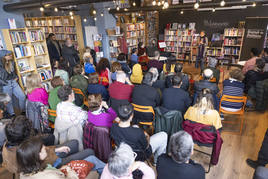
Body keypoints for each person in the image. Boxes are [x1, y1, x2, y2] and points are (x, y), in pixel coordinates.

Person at [16, 136, 105, 178]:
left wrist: (56, 150)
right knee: (92, 158)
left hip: (55, 168)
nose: (44, 147)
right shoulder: (52, 176)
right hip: (63, 171)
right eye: (41, 147)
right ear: (37, 155)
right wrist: (68, 169)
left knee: (75, 143)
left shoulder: (23, 172)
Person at [54, 85, 87, 151]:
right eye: (73, 92)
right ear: (70, 96)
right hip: (74, 136)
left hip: (62, 135)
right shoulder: (75, 109)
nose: (74, 94)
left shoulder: (58, 106)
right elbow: (85, 117)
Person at [0, 50, 25, 116]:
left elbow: (14, 72)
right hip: (5, 84)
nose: (11, 56)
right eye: (9, 55)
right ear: (3, 56)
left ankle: (23, 111)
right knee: (8, 100)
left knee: (22, 96)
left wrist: (16, 77)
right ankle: (12, 114)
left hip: (13, 82)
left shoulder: (12, 62)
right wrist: (5, 83)